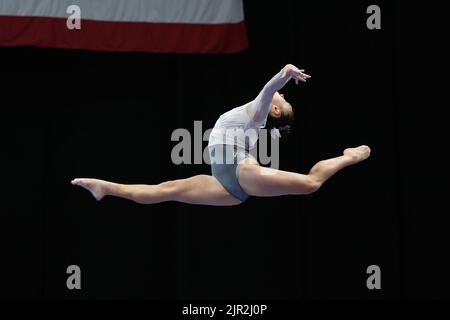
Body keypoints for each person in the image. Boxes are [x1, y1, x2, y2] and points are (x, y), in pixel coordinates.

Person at [71, 64, 371, 206]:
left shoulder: (258, 112)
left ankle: (348, 157)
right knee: (166, 190)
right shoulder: (253, 119)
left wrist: (284, 75)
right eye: (284, 94)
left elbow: (268, 90)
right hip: (227, 184)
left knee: (310, 183)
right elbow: (267, 95)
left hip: (239, 172)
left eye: (284, 100)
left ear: (275, 111)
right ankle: (106, 187)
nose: (281, 95)